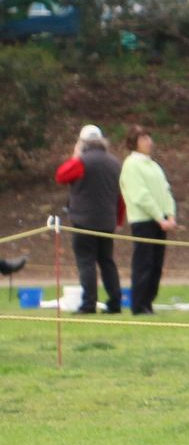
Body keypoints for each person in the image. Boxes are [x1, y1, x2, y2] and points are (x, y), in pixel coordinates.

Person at [55, 124, 123, 314]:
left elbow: (60, 176)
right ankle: (115, 302)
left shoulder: (81, 162)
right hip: (107, 221)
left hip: (84, 221)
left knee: (86, 262)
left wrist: (75, 156)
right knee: (107, 262)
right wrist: (118, 220)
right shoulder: (114, 163)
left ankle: (89, 303)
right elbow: (120, 196)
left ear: (82, 143)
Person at [118, 126, 178, 315]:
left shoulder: (154, 166)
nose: (149, 142)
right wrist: (159, 217)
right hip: (143, 221)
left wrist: (170, 215)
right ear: (134, 142)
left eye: (149, 138)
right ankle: (139, 304)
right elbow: (140, 195)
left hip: (160, 222)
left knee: (156, 265)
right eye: (143, 139)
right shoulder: (131, 165)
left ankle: (149, 302)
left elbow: (165, 190)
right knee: (144, 263)